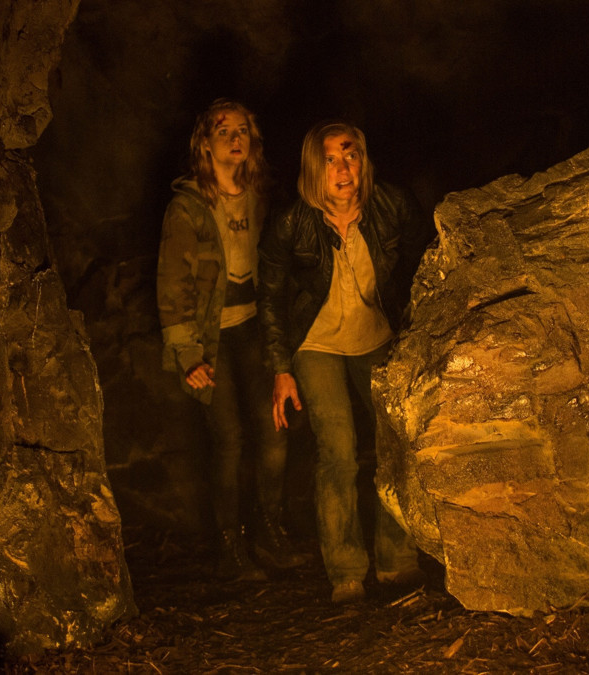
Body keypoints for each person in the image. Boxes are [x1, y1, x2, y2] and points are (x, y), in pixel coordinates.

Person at [258, 120, 427, 603]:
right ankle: (346, 572)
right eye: (330, 159)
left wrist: (418, 333)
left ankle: (397, 561)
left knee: (395, 444)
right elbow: (270, 295)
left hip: (378, 337)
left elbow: (423, 262)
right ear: (314, 169)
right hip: (317, 344)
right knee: (338, 451)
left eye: (350, 156)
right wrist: (281, 368)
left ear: (364, 160)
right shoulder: (291, 223)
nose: (342, 168)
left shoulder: (391, 205)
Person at [157, 99, 304, 581]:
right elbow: (172, 282)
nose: (235, 138)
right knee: (229, 440)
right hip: (211, 337)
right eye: (224, 132)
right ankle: (230, 547)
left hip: (256, 329)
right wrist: (186, 353)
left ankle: (269, 532)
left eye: (243, 130)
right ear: (205, 143)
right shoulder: (188, 207)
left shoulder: (263, 194)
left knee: (274, 431)